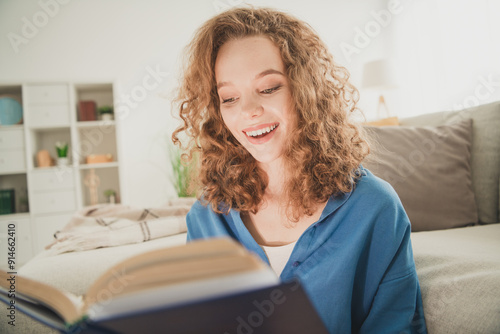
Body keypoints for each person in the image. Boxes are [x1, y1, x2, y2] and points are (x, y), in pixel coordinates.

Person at [172, 7, 427, 333]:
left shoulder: (374, 208)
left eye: (268, 88)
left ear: (306, 90)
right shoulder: (207, 216)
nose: (249, 111)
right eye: (230, 97)